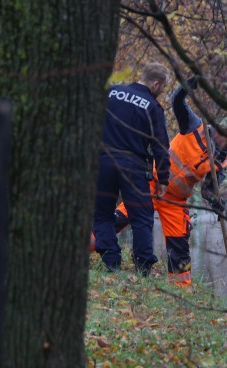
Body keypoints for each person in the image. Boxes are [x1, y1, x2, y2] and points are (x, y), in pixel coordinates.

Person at [92, 77, 227, 286]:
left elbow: (209, 191)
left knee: (179, 245)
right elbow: (177, 102)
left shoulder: (219, 163)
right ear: (219, 131)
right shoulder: (194, 126)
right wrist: (186, 88)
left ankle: (181, 291)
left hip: (175, 200)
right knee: (116, 219)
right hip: (151, 184)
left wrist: (216, 202)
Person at [93, 62, 171, 274]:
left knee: (101, 214)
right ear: (156, 84)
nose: (161, 92)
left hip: (103, 162)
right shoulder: (152, 106)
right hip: (132, 167)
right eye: (163, 88)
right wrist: (163, 178)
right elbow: (160, 146)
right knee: (142, 216)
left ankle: (111, 261)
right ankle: (143, 267)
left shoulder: (111, 92)